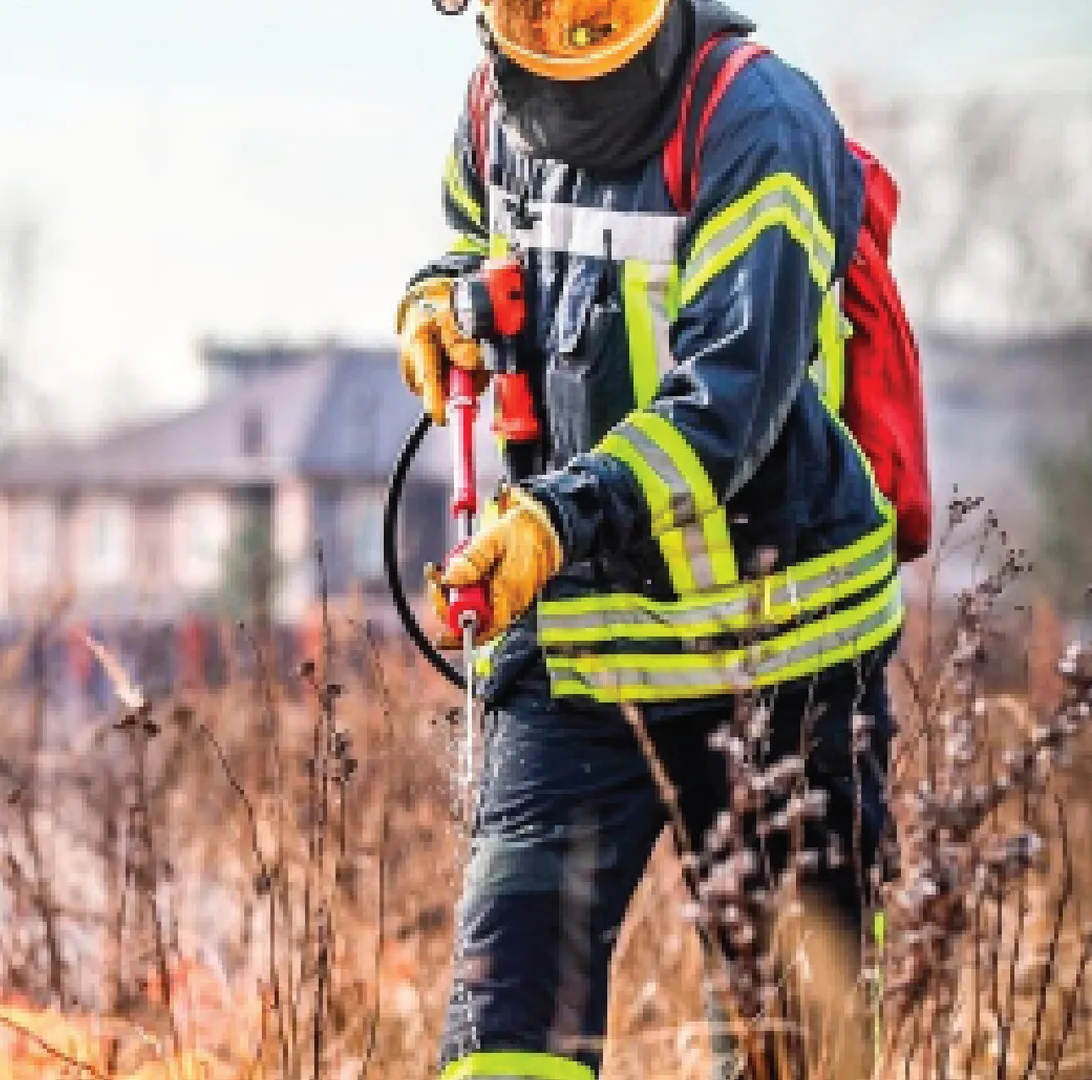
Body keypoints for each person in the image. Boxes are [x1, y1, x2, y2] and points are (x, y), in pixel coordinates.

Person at [395, 1, 899, 1076]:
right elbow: (471, 238)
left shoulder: (756, 117)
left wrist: (554, 519)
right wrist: (436, 302)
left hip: (787, 663)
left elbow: (729, 401)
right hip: (578, 665)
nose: (567, 32)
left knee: (797, 1053)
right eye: (533, 7)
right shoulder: (492, 106)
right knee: (503, 1050)